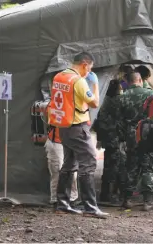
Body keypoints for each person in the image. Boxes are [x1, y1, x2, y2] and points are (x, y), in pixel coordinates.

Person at [48, 52, 109, 218]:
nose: (89, 72)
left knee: (69, 164)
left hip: (63, 126)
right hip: (77, 126)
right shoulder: (79, 81)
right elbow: (95, 102)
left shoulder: (59, 77)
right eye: (90, 68)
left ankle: (62, 204)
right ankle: (90, 207)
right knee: (88, 162)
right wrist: (95, 85)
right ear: (84, 64)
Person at [117, 71, 153, 211]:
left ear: (129, 82)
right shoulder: (150, 94)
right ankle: (148, 201)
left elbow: (119, 120)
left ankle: (127, 199)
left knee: (132, 166)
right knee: (148, 166)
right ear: (140, 80)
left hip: (131, 135)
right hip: (147, 133)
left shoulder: (122, 97)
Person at [95, 79, 125, 204]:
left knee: (108, 167)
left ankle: (105, 193)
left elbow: (99, 121)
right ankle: (112, 195)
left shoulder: (104, 101)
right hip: (117, 138)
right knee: (116, 167)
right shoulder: (119, 101)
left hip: (108, 138)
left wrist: (100, 139)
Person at [44, 125, 78, 207]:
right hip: (56, 141)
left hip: (73, 140)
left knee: (73, 172)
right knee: (57, 170)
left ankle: (72, 198)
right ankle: (56, 199)